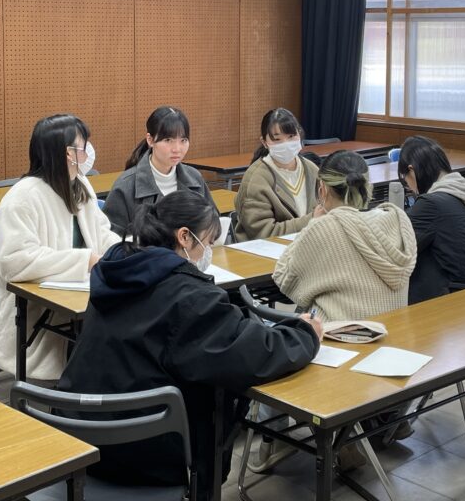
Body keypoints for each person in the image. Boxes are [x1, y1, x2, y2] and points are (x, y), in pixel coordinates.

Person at [60, 191, 322, 499]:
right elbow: (251, 354)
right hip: (145, 455)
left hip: (79, 438)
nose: (209, 251)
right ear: (185, 237)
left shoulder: (115, 272)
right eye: (208, 242)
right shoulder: (189, 297)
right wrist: (305, 333)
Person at [0, 114, 120, 382]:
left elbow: (102, 232)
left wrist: (122, 254)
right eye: (82, 146)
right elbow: (15, 262)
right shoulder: (22, 198)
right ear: (65, 153)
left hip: (80, 294)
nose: (87, 152)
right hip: (32, 311)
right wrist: (85, 261)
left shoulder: (79, 184)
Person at [273, 150, 417, 321]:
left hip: (337, 331)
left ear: (323, 189)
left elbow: (283, 277)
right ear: (367, 187)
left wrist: (312, 223)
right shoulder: (398, 219)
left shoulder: (323, 228)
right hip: (393, 329)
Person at [398, 136, 465, 304]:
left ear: (412, 171)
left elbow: (398, 245)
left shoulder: (432, 203)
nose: (408, 187)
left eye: (405, 179)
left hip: (447, 296)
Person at [103, 106, 216, 239]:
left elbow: (213, 224)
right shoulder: (125, 186)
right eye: (168, 140)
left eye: (183, 141)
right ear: (150, 140)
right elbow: (111, 241)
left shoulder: (194, 178)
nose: (177, 149)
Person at [235, 107, 320, 241]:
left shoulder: (312, 170)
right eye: (277, 139)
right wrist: (312, 219)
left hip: (310, 244)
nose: (286, 144)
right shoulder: (256, 179)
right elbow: (264, 233)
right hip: (269, 249)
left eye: (291, 137)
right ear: (264, 142)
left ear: (299, 134)